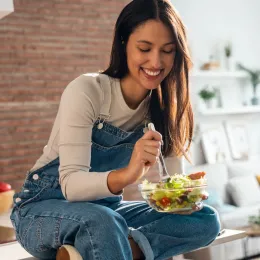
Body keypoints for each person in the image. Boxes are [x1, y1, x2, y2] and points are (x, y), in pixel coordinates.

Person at [10, 0, 220, 259]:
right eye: (144, 48)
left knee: (205, 219)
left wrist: (185, 196)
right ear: (123, 43)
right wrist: (129, 174)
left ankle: (88, 251)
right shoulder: (88, 90)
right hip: (41, 211)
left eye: (167, 50)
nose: (156, 61)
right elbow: (71, 186)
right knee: (102, 222)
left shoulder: (164, 107)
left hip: (106, 212)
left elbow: (172, 185)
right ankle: (100, 244)